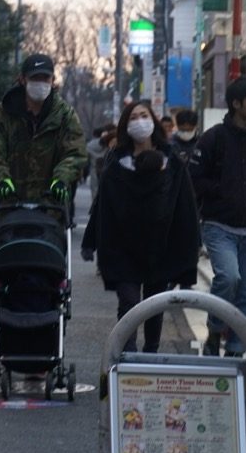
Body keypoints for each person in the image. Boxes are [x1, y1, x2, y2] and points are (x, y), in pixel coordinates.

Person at [83, 102, 200, 353]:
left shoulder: (172, 159)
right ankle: (127, 351)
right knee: (129, 301)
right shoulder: (117, 161)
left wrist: (190, 242)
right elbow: (102, 204)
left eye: (144, 116)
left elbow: (185, 204)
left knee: (154, 304)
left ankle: (151, 352)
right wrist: (90, 241)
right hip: (123, 247)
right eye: (133, 117)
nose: (139, 121)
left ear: (154, 120)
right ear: (126, 125)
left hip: (161, 245)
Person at [189, 78, 246, 357]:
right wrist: (221, 192)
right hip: (219, 225)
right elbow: (194, 178)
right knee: (228, 277)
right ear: (236, 104)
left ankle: (237, 348)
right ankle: (216, 329)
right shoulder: (214, 138)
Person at [0, 53, 87, 208]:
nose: (41, 83)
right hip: (9, 203)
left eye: (45, 78)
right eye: (35, 78)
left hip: (51, 205)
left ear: (53, 81)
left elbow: (76, 152)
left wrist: (62, 178)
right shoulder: (2, 114)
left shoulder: (65, 115)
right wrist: (1, 178)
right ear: (23, 79)